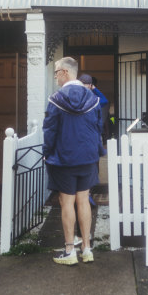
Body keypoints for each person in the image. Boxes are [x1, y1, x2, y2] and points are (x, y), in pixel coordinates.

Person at [44, 58, 103, 265]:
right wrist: (97, 151)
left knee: (66, 202)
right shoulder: (93, 99)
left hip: (64, 158)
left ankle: (70, 251)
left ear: (66, 72)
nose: (55, 76)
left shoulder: (55, 99)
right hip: (87, 159)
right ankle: (87, 249)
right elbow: (98, 128)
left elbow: (50, 131)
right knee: (83, 200)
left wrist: (46, 152)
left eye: (57, 72)